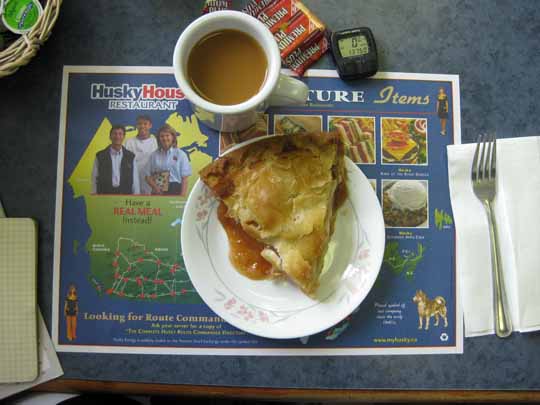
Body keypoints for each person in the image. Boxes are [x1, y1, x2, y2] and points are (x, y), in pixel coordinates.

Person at [91, 125, 140, 194]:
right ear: (110, 136)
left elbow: (135, 180)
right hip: (105, 196)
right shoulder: (100, 156)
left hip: (125, 196)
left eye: (120, 134)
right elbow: (94, 177)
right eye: (115, 134)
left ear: (123, 137)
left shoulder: (131, 156)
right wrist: (94, 194)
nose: (117, 136)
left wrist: (136, 195)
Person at [145, 124, 191, 196]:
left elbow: (184, 179)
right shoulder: (154, 155)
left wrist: (182, 197)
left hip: (175, 190)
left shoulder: (181, 155)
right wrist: (156, 188)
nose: (164, 138)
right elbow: (147, 176)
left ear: (173, 137)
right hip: (158, 190)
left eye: (167, 135)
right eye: (162, 136)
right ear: (159, 139)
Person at [125, 115, 158, 195]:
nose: (142, 126)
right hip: (133, 180)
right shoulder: (129, 142)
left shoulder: (156, 142)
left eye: (145, 124)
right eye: (139, 124)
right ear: (136, 125)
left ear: (150, 125)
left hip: (152, 183)